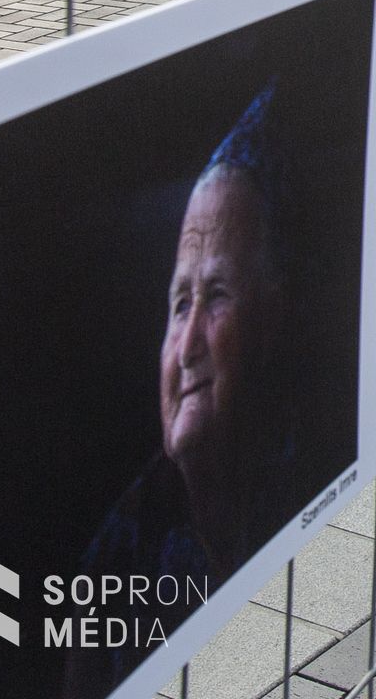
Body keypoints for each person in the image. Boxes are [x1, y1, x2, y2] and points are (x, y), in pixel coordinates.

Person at [69, 90, 299, 699]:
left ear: (271, 319)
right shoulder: (119, 554)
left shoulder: (308, 476)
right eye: (179, 304)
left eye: (217, 295)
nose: (188, 342)